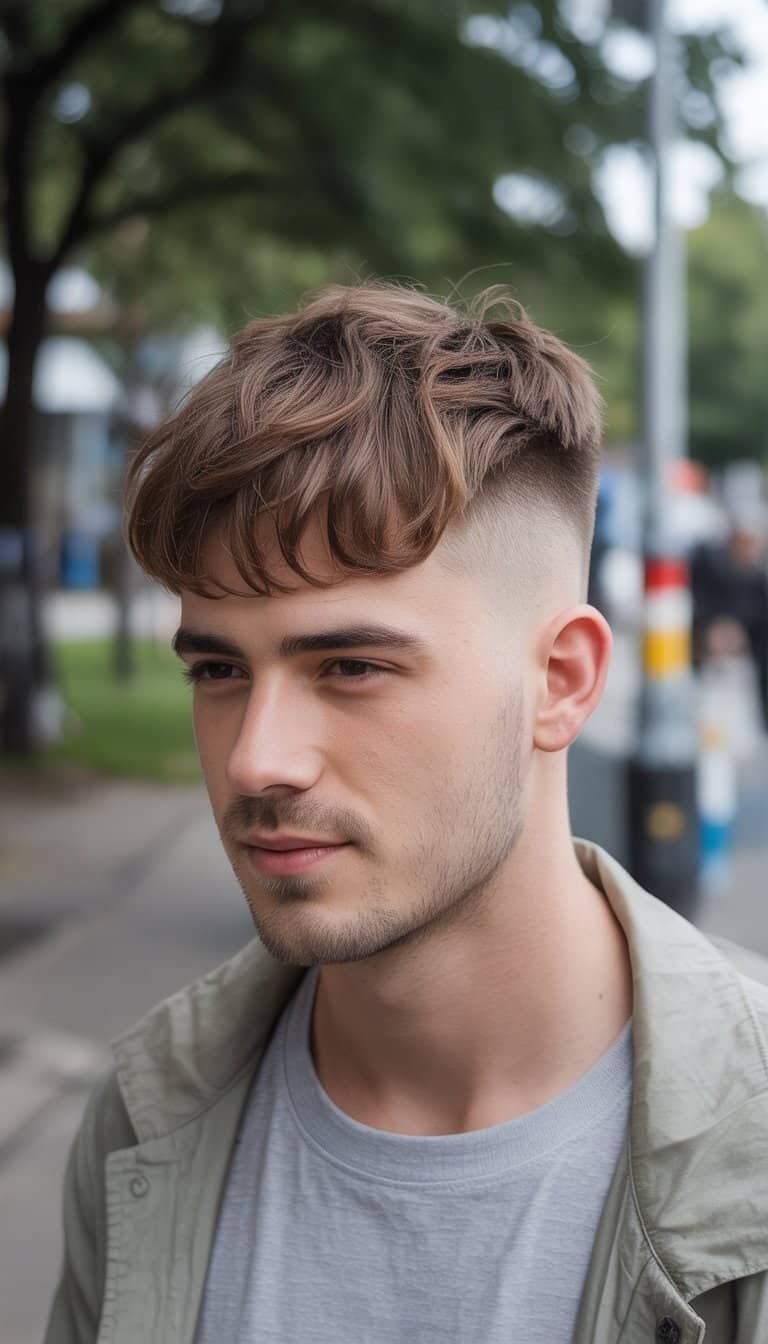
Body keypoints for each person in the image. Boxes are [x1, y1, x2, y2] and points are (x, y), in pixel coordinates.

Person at [45, 285, 768, 1344]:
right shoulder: (147, 1114)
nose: (255, 760)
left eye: (351, 665)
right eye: (217, 670)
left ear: (561, 681)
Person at [691, 507, 768, 732]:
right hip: (710, 664)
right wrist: (711, 632)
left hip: (746, 670)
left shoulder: (759, 581)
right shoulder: (711, 567)